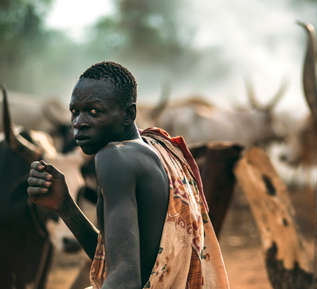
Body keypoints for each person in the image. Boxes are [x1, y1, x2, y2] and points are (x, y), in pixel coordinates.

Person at [27, 61, 229, 289]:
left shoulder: (114, 158)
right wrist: (65, 206)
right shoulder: (157, 148)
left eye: (94, 111)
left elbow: (124, 279)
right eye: (75, 111)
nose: (79, 123)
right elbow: (115, 262)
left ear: (129, 114)